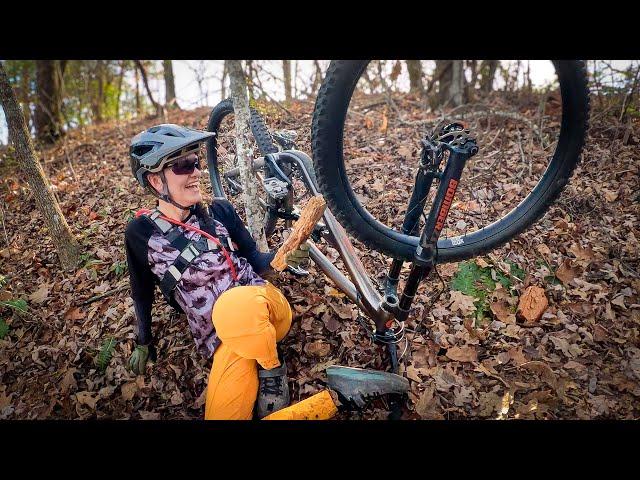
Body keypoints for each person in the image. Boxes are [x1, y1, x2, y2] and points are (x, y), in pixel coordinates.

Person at [124, 124, 310, 420]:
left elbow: (257, 260)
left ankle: (272, 368)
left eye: (196, 162)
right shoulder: (141, 232)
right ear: (156, 182)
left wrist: (283, 256)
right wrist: (144, 341)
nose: (196, 171)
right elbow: (141, 289)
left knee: (232, 307)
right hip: (223, 340)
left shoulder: (219, 210)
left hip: (265, 311)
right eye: (184, 165)